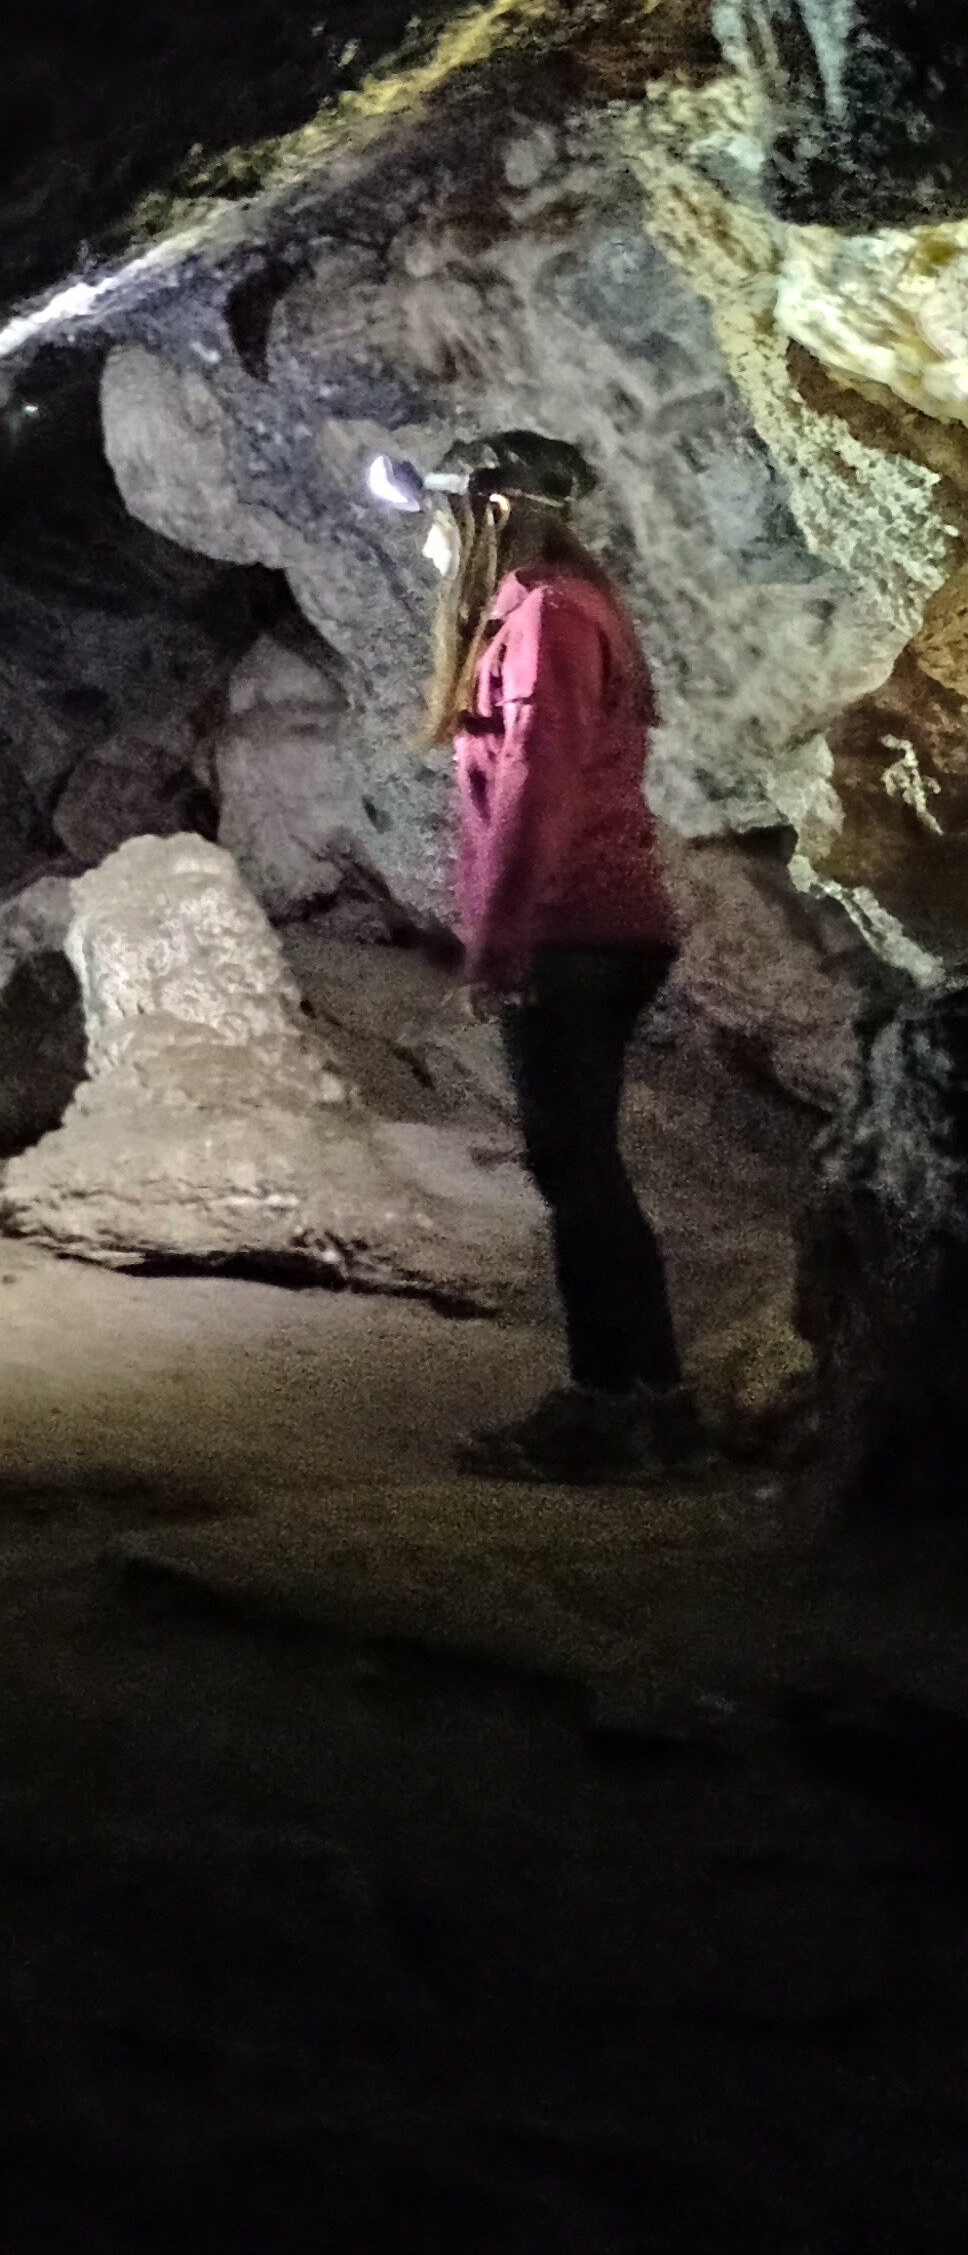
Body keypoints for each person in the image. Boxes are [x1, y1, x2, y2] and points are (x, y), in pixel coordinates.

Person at [417, 431, 697, 1481]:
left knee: (574, 1169)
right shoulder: (558, 609)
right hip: (592, 924)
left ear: (491, 511)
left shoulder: (544, 613)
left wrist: (499, 945)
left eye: (445, 508)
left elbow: (538, 776)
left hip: (577, 927)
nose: (431, 533)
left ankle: (625, 1408)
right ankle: (637, 1403)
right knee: (578, 1166)